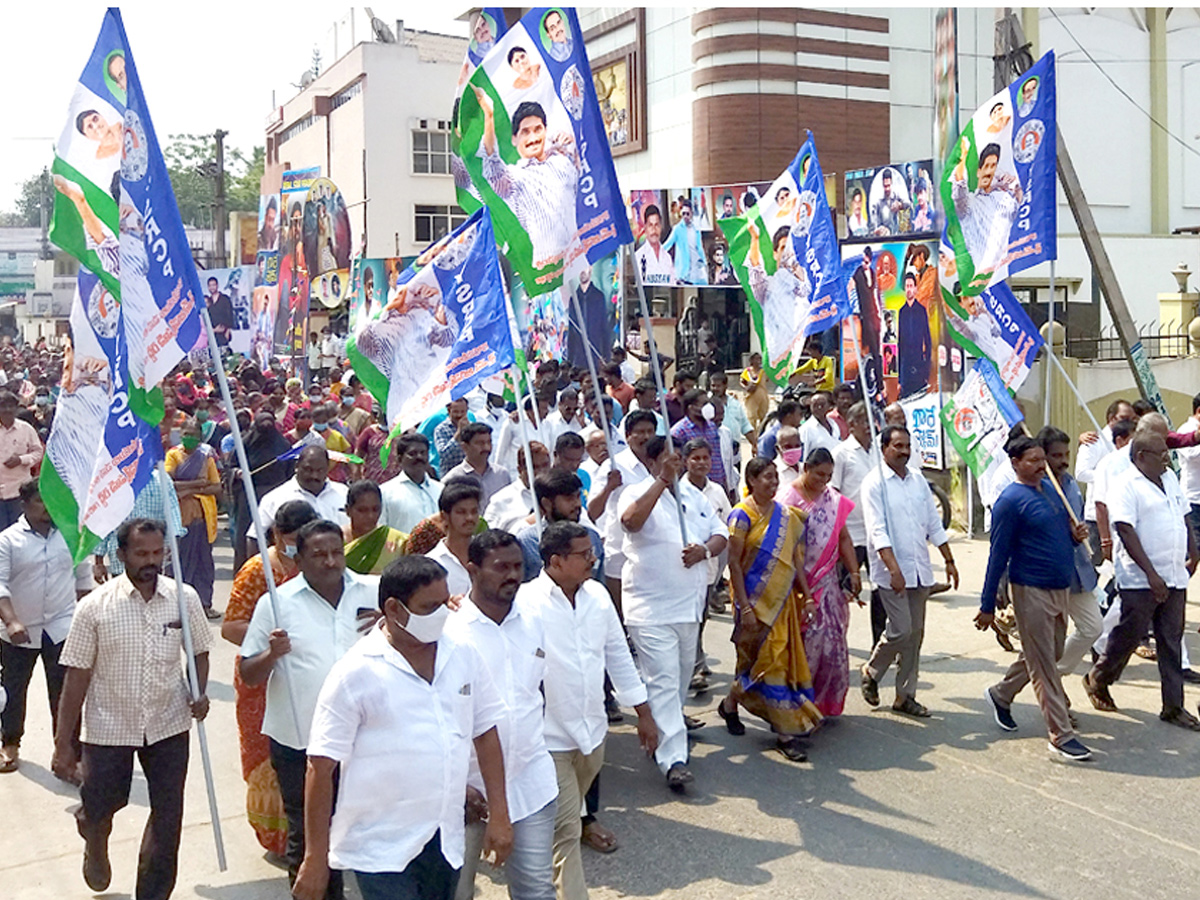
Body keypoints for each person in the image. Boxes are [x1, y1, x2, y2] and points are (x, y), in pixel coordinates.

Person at [294, 555, 512, 900]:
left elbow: (485, 732)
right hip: (380, 847)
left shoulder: (463, 654)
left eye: (445, 603)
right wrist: (314, 858)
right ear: (394, 610)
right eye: (429, 607)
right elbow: (320, 768)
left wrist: (500, 814)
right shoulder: (355, 673)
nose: (443, 614)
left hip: (444, 838)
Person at [52, 519, 212, 898]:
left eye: (158, 553)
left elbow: (199, 651)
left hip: (169, 723)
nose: (150, 561)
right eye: (141, 553)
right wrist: (63, 743)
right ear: (121, 555)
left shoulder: (183, 598)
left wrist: (197, 691)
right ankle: (94, 837)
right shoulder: (94, 607)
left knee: (168, 817)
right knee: (101, 805)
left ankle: (153, 892)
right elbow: (76, 678)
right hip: (109, 726)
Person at [239, 519, 380, 899]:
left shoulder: (375, 592)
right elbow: (248, 673)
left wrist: (392, 622)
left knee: (366, 833)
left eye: (337, 552)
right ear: (298, 558)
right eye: (319, 555)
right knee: (309, 838)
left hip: (366, 741)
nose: (331, 561)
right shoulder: (276, 604)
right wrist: (272, 653)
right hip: (300, 742)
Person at [517, 521, 656, 900]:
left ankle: (531, 864)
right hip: (548, 737)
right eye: (583, 554)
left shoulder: (596, 595)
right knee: (567, 830)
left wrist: (643, 713)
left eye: (592, 551)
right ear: (556, 561)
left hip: (593, 735)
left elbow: (618, 656)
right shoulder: (526, 603)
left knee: (560, 822)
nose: (593, 559)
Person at [450, 530, 559, 900]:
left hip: (530, 780)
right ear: (472, 570)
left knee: (536, 891)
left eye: (518, 566)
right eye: (501, 567)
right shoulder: (449, 634)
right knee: (456, 893)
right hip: (463, 791)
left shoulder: (534, 622)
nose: (512, 575)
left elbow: (536, 693)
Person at [619, 437, 728, 790]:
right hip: (650, 609)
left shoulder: (695, 497)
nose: (675, 464)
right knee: (665, 680)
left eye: (676, 459)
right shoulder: (634, 491)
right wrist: (662, 481)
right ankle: (673, 760)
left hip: (688, 606)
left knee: (677, 681)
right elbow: (631, 522)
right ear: (652, 462)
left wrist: (704, 551)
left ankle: (661, 729)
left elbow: (720, 534)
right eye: (668, 459)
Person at [975, 436, 1094, 761]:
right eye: (1033, 460)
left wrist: (1073, 537)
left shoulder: (1052, 493)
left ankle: (1002, 694)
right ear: (1015, 463)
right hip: (1031, 590)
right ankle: (1060, 736)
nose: (1042, 465)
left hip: (1060, 588)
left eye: (1043, 459)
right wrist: (987, 605)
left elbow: (1056, 539)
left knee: (1049, 652)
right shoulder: (1010, 501)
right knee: (1044, 666)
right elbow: (997, 555)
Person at [220, 499, 318, 859]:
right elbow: (231, 626)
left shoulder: (319, 566)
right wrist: (271, 639)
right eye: (289, 539)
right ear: (275, 534)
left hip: (309, 675)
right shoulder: (257, 570)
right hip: (263, 678)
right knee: (270, 757)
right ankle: (280, 838)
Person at [1084, 431, 1200, 729]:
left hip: (1175, 574)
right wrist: (1151, 574)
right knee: (1129, 635)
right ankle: (1098, 678)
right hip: (1140, 578)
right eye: (1160, 453)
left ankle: (1173, 707)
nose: (1166, 457)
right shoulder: (1126, 485)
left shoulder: (1170, 479)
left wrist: (1193, 551)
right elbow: (1125, 529)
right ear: (1141, 457)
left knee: (1171, 640)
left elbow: (1184, 514)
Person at [717, 458, 824, 760]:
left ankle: (784, 733)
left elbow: (795, 561)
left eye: (776, 477)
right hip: (752, 602)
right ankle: (730, 704)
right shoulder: (741, 515)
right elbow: (734, 564)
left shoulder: (788, 516)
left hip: (782, 603)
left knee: (776, 663)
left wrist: (809, 597)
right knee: (749, 663)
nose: (774, 482)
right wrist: (745, 607)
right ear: (751, 480)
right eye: (766, 477)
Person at [859, 426, 958, 718]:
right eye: (897, 446)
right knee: (901, 630)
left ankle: (905, 696)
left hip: (919, 569)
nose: (904, 451)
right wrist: (893, 568)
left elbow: (933, 522)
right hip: (891, 571)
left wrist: (949, 559)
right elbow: (877, 531)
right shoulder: (873, 483)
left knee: (915, 635)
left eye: (907, 445)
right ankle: (872, 670)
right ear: (884, 448)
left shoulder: (917, 480)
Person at [0, 480, 94, 776]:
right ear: (24, 504)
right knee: (14, 689)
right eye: (41, 502)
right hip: (18, 630)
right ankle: (10, 743)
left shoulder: (69, 535)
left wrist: (89, 621)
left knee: (65, 690)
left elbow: (83, 577)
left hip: (61, 625)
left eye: (51, 501)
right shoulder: (7, 541)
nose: (47, 507)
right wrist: (11, 620)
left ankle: (67, 753)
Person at [777, 448, 860, 717]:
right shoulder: (787, 499)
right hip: (796, 584)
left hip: (828, 583)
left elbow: (844, 538)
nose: (824, 481)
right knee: (804, 646)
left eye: (829, 475)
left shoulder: (832, 499)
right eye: (819, 474)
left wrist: (854, 572)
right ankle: (798, 706)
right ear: (806, 469)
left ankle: (824, 704)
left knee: (832, 645)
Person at [473, 90, 578, 270]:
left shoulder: (562, 161)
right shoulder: (515, 177)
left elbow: (588, 181)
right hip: (548, 270)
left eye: (538, 129)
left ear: (546, 130)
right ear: (515, 139)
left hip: (579, 259)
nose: (533, 138)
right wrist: (489, 116)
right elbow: (492, 166)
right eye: (525, 132)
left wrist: (572, 148)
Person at [1038, 428, 1104, 679]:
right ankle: (1044, 689)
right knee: (1046, 643)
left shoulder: (1071, 484)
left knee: (1092, 628)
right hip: (1051, 576)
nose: (1064, 461)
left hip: (1079, 572)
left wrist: (1079, 534)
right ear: (1042, 456)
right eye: (1056, 455)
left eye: (1067, 454)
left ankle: (1054, 675)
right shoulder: (1036, 487)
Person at [681, 439, 732, 681]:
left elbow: (727, 526)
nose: (701, 463)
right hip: (686, 568)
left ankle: (696, 662)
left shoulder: (717, 491)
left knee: (701, 617)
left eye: (705, 458)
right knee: (691, 620)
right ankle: (694, 667)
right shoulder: (677, 491)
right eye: (695, 458)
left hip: (712, 566)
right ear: (685, 461)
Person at [832, 403, 882, 642]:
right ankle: (836, 639)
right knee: (842, 591)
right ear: (851, 425)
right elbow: (834, 494)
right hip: (850, 533)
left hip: (876, 532)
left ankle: (880, 642)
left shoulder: (878, 451)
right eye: (863, 421)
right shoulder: (841, 453)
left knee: (881, 590)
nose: (868, 426)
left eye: (870, 420)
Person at [165, 417, 223, 618]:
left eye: (195, 435)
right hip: (180, 517)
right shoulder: (174, 455)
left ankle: (204, 605)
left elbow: (216, 486)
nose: (191, 438)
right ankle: (177, 607)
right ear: (181, 434)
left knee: (203, 563)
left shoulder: (206, 456)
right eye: (187, 434)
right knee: (179, 562)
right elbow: (168, 483)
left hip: (202, 518)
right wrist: (197, 485)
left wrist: (186, 487)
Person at [516, 470, 602, 582]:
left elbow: (599, 581)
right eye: (569, 498)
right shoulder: (528, 542)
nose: (577, 504)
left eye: (577, 497)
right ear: (547, 503)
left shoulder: (592, 537)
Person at [951, 141, 1022, 277]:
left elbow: (1022, 207)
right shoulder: (970, 204)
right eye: (987, 166)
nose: (989, 171)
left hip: (1003, 273)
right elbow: (959, 190)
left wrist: (1016, 186)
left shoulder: (1002, 198)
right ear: (979, 172)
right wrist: (963, 159)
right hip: (980, 278)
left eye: (993, 166)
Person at [259, 445, 349, 539]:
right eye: (308, 470)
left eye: (320, 470)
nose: (314, 476)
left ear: (327, 469)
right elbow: (255, 536)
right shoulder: (275, 498)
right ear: (297, 466)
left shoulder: (344, 493)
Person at [427, 481, 484, 597]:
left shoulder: (487, 555)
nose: (469, 518)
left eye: (474, 511)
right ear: (444, 517)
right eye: (461, 512)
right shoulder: (432, 563)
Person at [381, 433, 443, 534]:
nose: (419, 457)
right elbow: (381, 531)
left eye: (423, 453)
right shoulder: (385, 493)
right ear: (400, 459)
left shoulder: (441, 490)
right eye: (412, 454)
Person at [343, 481, 409, 576]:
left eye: (375, 509)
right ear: (348, 510)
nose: (371, 516)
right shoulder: (336, 540)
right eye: (362, 510)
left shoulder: (398, 541)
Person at [445, 422, 512, 513]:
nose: (486, 447)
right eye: (480, 443)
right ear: (465, 447)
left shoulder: (502, 475)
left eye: (489, 442)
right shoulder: (453, 478)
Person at [0, 391, 43, 530]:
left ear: (16, 408)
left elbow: (38, 452)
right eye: (3, 406)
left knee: (18, 532)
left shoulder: (26, 429)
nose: (7, 410)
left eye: (10, 406)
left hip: (18, 492)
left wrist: (21, 460)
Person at [487, 441, 551, 533]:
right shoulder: (500, 501)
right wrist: (529, 521)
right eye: (534, 467)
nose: (541, 472)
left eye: (545, 465)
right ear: (520, 469)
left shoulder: (559, 495)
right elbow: (489, 537)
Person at [669, 389, 726, 490]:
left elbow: (717, 457)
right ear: (691, 408)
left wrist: (725, 484)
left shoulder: (712, 427)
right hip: (692, 489)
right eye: (704, 404)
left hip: (715, 487)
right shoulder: (679, 431)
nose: (708, 407)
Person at [897, 271, 931, 397]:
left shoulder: (921, 311)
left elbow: (927, 340)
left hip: (919, 362)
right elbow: (899, 343)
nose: (909, 289)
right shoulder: (902, 312)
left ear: (916, 289)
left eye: (911, 286)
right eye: (907, 286)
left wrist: (926, 369)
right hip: (905, 364)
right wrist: (899, 377)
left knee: (919, 397)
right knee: (906, 398)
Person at [709, 370, 756, 455]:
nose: (715, 389)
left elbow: (745, 426)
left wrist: (754, 444)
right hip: (715, 452)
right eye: (713, 385)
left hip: (734, 453)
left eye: (718, 386)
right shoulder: (706, 403)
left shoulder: (734, 403)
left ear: (725, 386)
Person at [661, 198, 707, 284]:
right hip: (684, 272)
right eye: (683, 213)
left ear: (692, 214)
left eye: (687, 214)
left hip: (698, 270)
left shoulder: (696, 229)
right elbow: (668, 244)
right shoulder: (677, 229)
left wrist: (704, 261)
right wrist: (655, 254)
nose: (685, 216)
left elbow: (700, 247)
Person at [634, 204, 675, 286]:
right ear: (645, 228)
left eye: (656, 225)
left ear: (660, 227)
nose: (654, 230)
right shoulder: (637, 257)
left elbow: (673, 284)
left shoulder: (667, 258)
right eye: (650, 225)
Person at [798, 390, 840, 462]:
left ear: (829, 406)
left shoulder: (833, 424)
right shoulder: (806, 429)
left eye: (822, 405)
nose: (819, 408)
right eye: (815, 405)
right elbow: (803, 457)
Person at [434, 399, 472, 476]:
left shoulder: (472, 427)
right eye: (456, 412)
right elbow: (444, 454)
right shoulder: (441, 429)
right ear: (449, 411)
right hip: (450, 475)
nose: (459, 415)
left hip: (470, 474)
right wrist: (458, 433)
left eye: (462, 412)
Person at [740, 352, 770, 433]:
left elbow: (767, 380)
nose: (758, 361)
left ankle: (761, 434)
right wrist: (747, 387)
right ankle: (753, 436)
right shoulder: (747, 371)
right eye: (756, 359)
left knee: (763, 417)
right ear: (751, 360)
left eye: (759, 359)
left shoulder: (763, 372)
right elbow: (742, 382)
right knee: (751, 417)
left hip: (763, 397)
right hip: (751, 397)